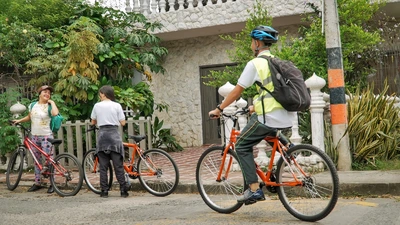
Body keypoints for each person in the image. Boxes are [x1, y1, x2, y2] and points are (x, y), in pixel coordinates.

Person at [208, 25, 296, 205]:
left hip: (269, 117)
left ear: (256, 43)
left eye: (251, 41)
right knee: (268, 132)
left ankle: (254, 190)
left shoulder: (255, 63)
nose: (251, 44)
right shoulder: (277, 62)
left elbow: (236, 91)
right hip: (286, 115)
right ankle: (288, 147)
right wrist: (252, 108)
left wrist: (219, 108)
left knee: (241, 145)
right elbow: (273, 92)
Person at [13, 85, 60, 193]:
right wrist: (19, 121)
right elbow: (30, 117)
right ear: (39, 93)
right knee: (36, 160)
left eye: (49, 93)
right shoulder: (32, 105)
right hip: (34, 136)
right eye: (45, 92)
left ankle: (53, 184)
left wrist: (52, 102)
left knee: (49, 160)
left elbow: (55, 113)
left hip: (46, 136)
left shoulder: (49, 106)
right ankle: (38, 182)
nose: (47, 94)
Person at [90, 85, 129, 198]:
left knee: (103, 167)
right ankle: (123, 190)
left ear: (103, 94)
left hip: (102, 136)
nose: (100, 96)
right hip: (114, 136)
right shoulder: (117, 105)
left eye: (100, 94)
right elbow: (123, 123)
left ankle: (104, 191)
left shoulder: (97, 106)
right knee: (118, 166)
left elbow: (93, 121)